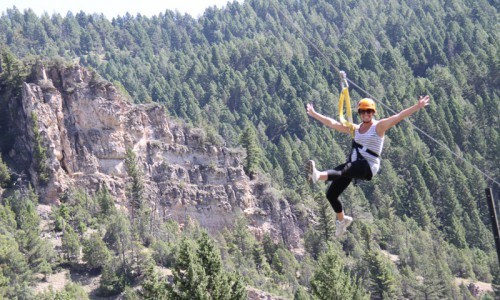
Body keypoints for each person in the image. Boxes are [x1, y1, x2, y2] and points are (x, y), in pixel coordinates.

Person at [306, 96, 430, 236]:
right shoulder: (355, 129)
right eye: (363, 112)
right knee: (331, 194)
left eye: (369, 112)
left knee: (345, 169)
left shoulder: (379, 126)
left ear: (373, 112)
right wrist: (314, 114)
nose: (366, 114)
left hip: (368, 166)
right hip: (354, 165)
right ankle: (342, 221)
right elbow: (333, 123)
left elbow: (399, 116)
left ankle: (317, 175)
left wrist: (417, 106)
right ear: (359, 113)